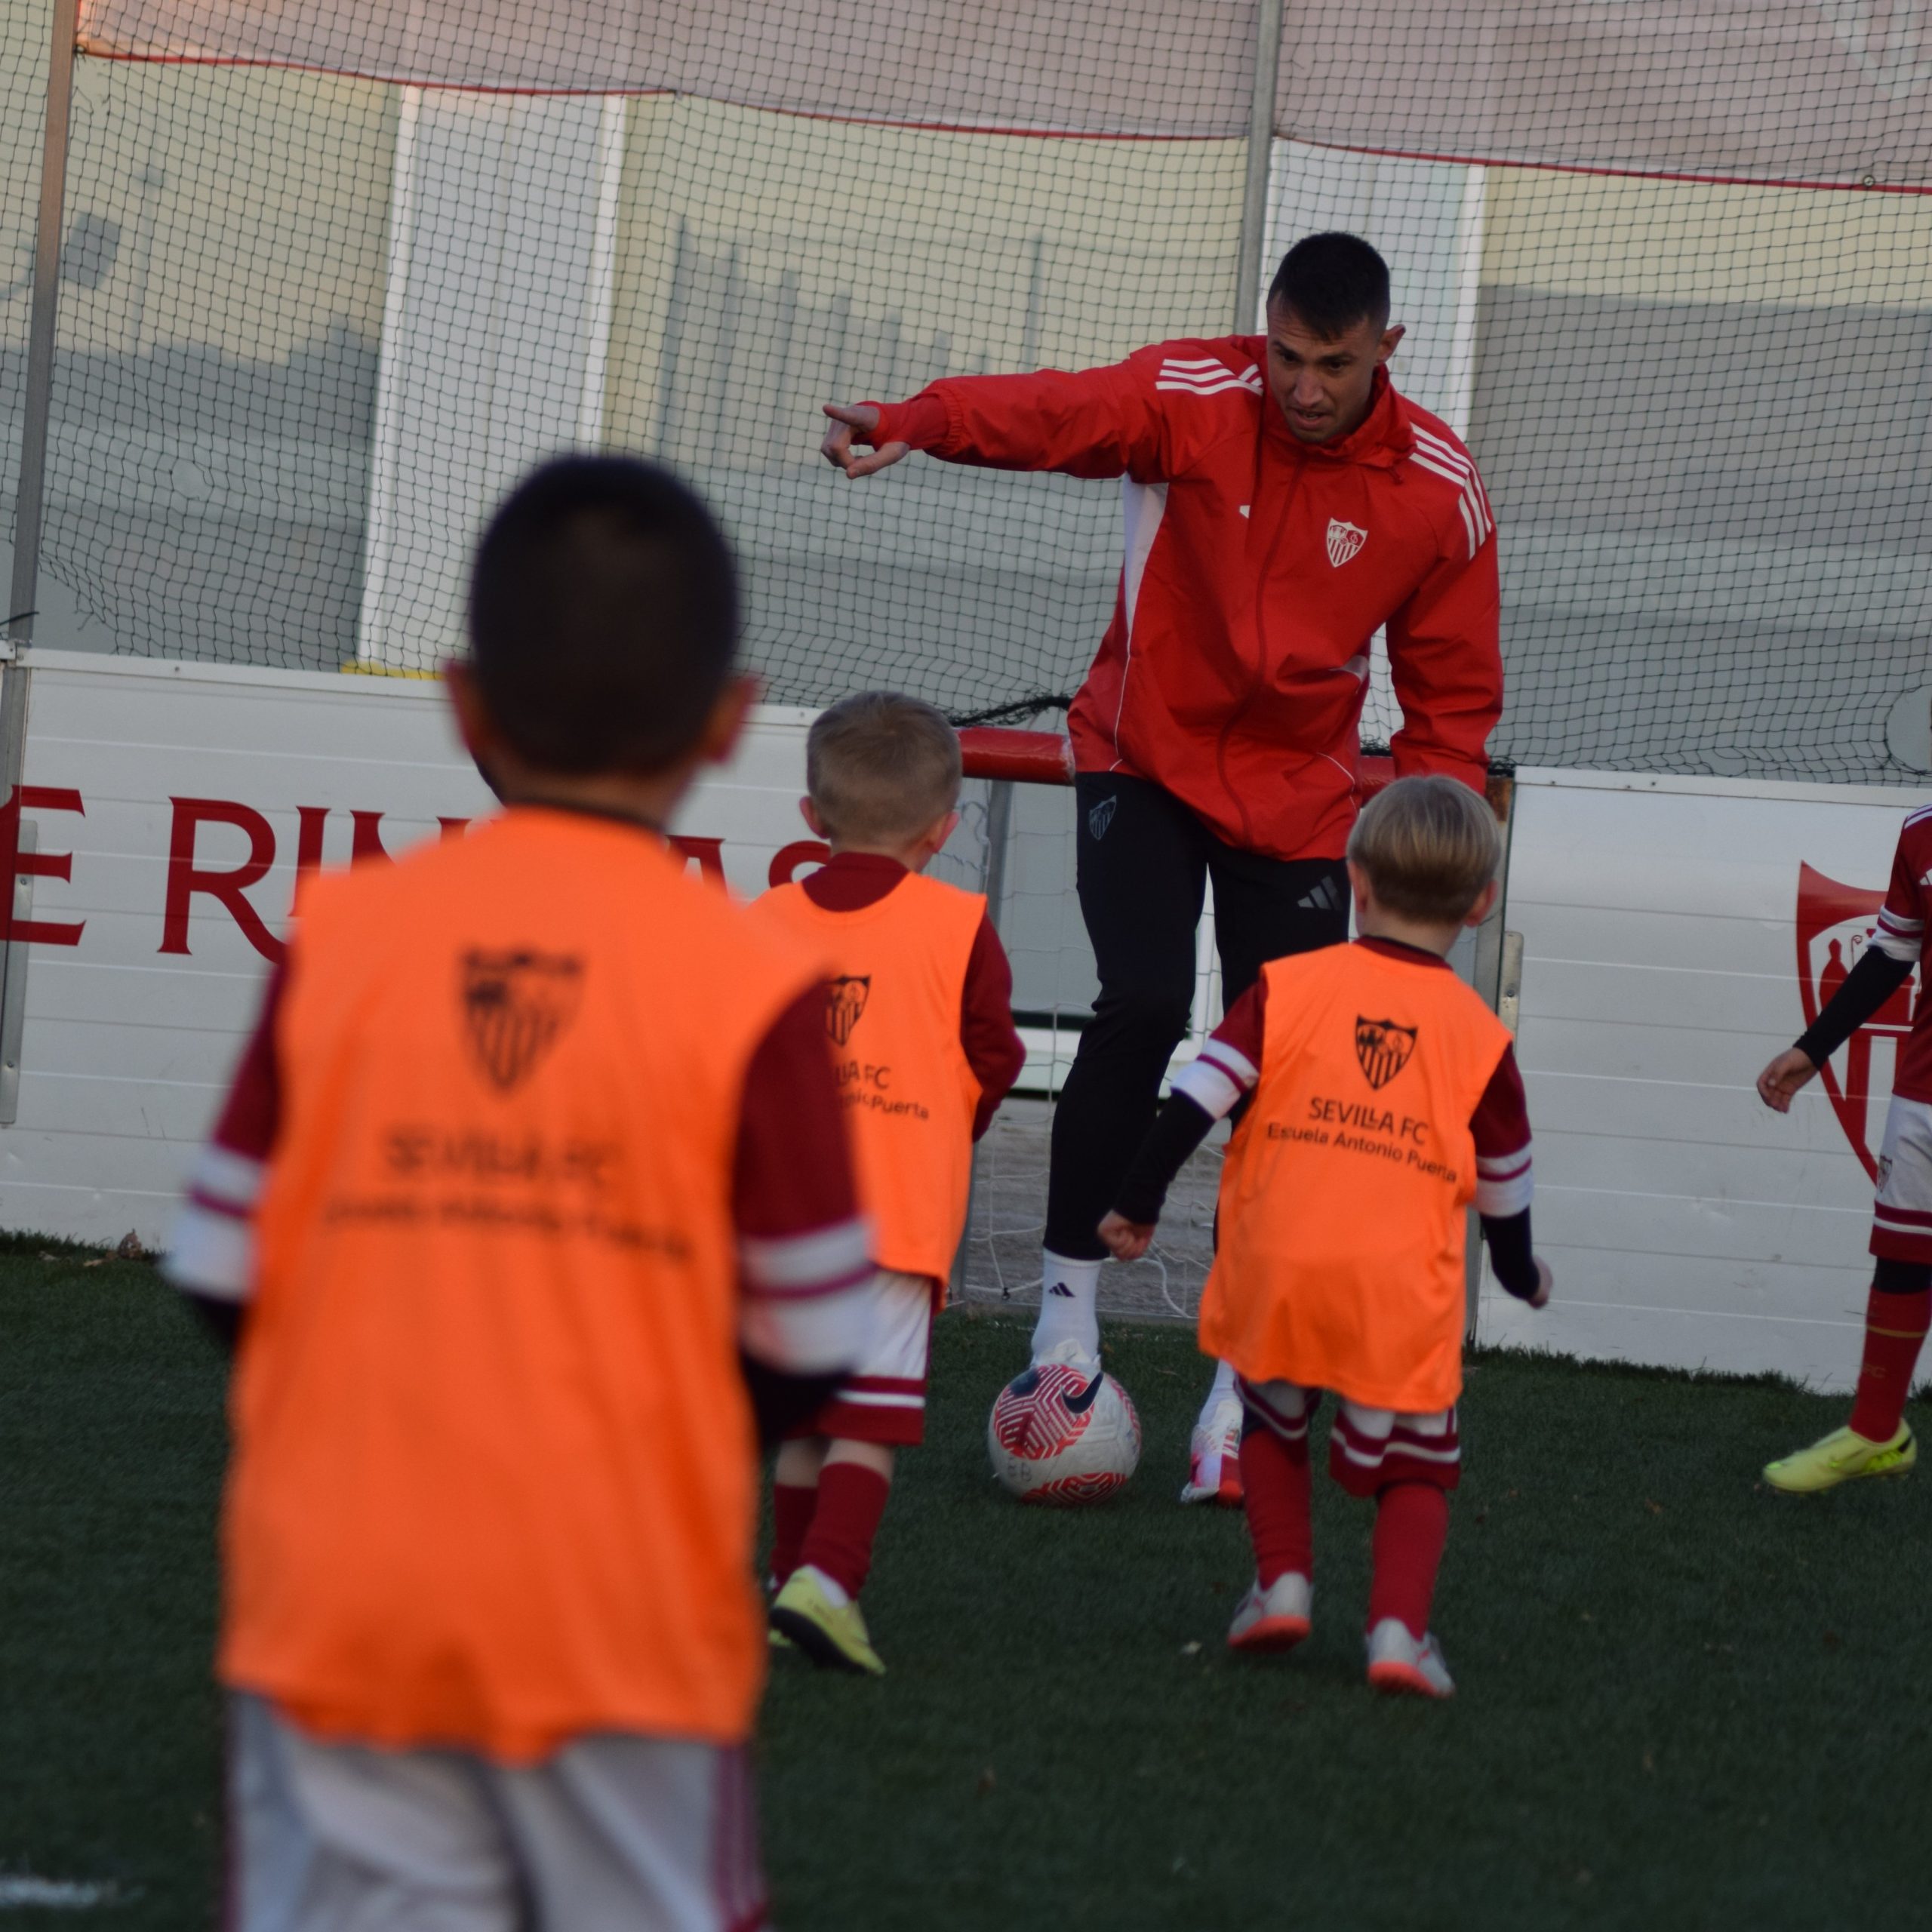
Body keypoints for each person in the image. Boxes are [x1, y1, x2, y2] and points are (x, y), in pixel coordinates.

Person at [162, 456, 876, 1932]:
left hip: (345, 1603)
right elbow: (812, 1339)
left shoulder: (340, 935)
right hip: (621, 1612)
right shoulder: (753, 984)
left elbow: (219, 1266)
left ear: (465, 704)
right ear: (732, 721)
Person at [822, 231, 1504, 1503]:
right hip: (1143, 751)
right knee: (1140, 1004)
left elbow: (1449, 702)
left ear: (1387, 352)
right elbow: (1058, 410)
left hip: (1302, 803)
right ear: (1267, 330)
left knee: (1288, 1082)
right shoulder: (1195, 398)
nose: (1305, 387)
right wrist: (919, 420)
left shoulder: (1440, 489)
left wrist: (1426, 867)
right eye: (1290, 355)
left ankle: (1240, 1390)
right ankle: (1063, 1325)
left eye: (1335, 366)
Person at [1097, 777, 1549, 1698]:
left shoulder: (1287, 987)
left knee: (1271, 1421)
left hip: (1280, 1266)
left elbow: (1195, 1098)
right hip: (1399, 1288)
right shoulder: (1480, 1035)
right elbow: (1506, 1173)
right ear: (1481, 903)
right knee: (1416, 1466)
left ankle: (1282, 1585)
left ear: (1354, 880)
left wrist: (1136, 1200)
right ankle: (1395, 1632)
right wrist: (1514, 1267)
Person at [751, 691, 1025, 1673]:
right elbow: (997, 1055)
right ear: (945, 828)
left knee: (799, 1418)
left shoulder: (761, 922)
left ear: (811, 819)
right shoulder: (959, 925)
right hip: (894, 1220)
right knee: (865, 1415)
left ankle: (785, 1583)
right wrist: (948, 1126)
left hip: (779, 1224)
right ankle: (829, 1583)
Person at [1755, 802, 1932, 1491]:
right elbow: (1892, 951)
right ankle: (1876, 1430)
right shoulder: (1922, 832)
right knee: (1903, 1256)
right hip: (1924, 1091)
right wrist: (1812, 1049)